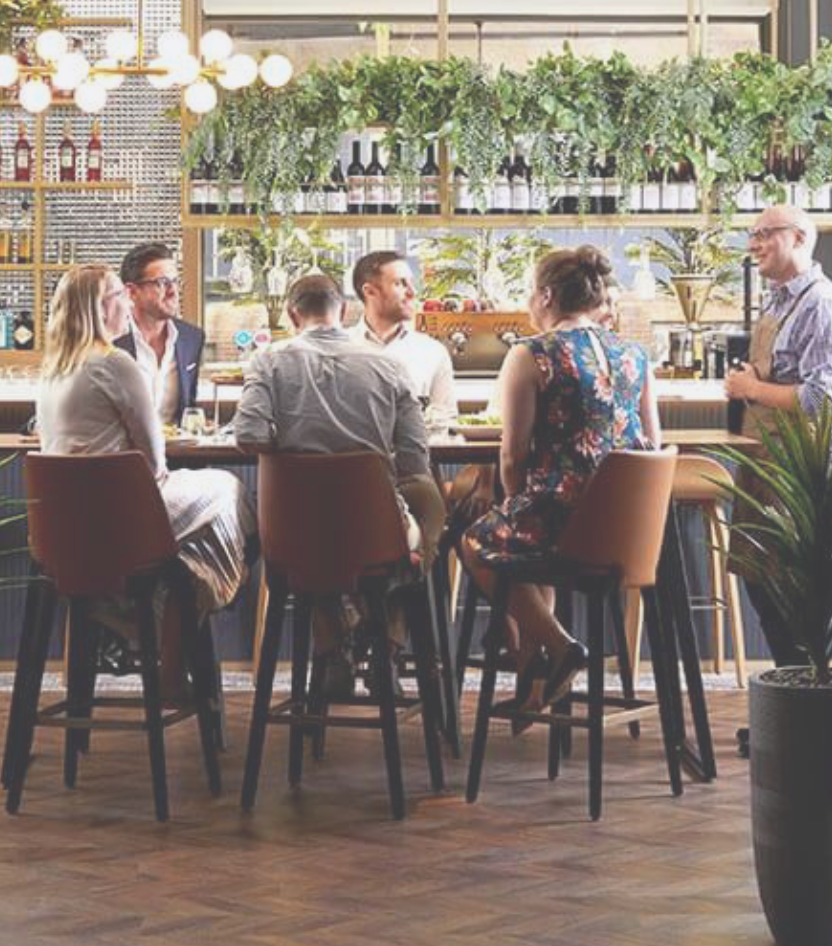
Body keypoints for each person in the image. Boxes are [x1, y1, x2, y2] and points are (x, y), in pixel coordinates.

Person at [458, 245, 664, 705]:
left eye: (530, 292)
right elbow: (653, 444)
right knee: (527, 540)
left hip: (564, 524)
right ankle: (534, 681)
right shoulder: (635, 355)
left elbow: (512, 457)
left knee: (476, 542)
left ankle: (560, 646)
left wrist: (513, 504)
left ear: (547, 296)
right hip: (631, 532)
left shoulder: (532, 353)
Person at [36, 264, 246, 624]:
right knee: (230, 488)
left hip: (63, 526)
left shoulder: (54, 369)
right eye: (121, 295)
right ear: (101, 307)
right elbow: (153, 461)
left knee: (189, 552)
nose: (129, 305)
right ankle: (189, 611)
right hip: (119, 520)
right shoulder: (115, 363)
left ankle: (149, 620)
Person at [232, 270, 443, 559]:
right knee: (430, 507)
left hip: (293, 533)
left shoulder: (266, 361)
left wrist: (292, 446)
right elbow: (414, 459)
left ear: (293, 316)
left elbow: (248, 436)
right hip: (373, 532)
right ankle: (406, 573)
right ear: (343, 311)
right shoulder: (391, 366)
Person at [725, 203, 832, 430]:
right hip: (761, 445)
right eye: (753, 235)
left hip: (797, 451)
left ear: (798, 238)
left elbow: (819, 400)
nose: (752, 246)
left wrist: (752, 388)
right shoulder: (775, 299)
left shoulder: (822, 304)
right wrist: (750, 375)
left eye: (764, 234)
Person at [351, 249, 460, 428]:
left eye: (411, 283)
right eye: (400, 284)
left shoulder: (433, 352)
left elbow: (446, 422)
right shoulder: (338, 350)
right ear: (370, 292)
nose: (412, 292)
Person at [115, 240, 206, 426]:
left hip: (177, 444)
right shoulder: (111, 339)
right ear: (132, 292)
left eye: (175, 282)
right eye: (162, 283)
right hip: (122, 444)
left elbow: (188, 410)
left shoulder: (192, 339)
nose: (173, 292)